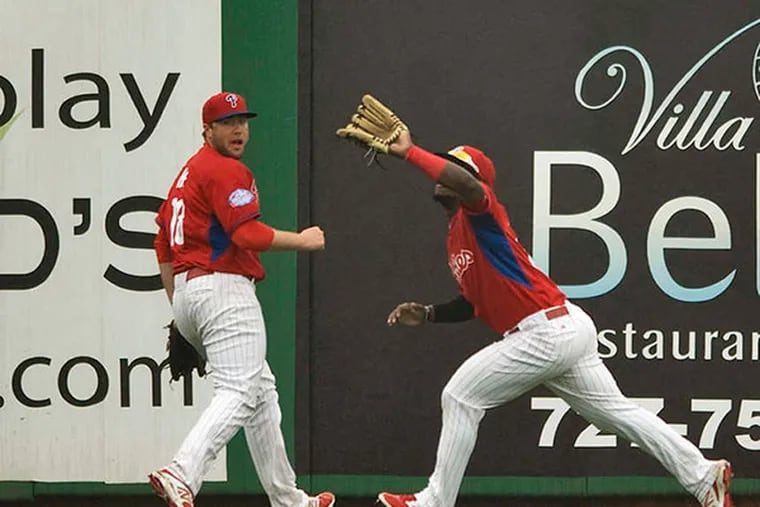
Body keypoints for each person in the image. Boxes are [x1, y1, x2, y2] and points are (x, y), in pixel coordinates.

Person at [372, 130, 732, 507]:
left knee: (461, 397)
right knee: (617, 414)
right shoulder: (457, 235)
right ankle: (704, 475)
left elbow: (468, 185)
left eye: (458, 169)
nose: (447, 173)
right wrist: (430, 314)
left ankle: (434, 501)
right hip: (562, 327)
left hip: (545, 330)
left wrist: (411, 153)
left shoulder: (482, 214)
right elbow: (472, 303)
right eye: (447, 164)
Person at [149, 91, 334, 507]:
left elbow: (162, 242)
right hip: (223, 290)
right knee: (238, 391)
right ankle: (181, 472)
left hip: (190, 291)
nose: (238, 130)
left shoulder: (187, 173)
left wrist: (179, 306)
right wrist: (303, 241)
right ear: (207, 129)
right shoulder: (226, 170)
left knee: (261, 394)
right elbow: (246, 235)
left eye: (243, 122)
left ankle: (289, 500)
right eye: (227, 123)